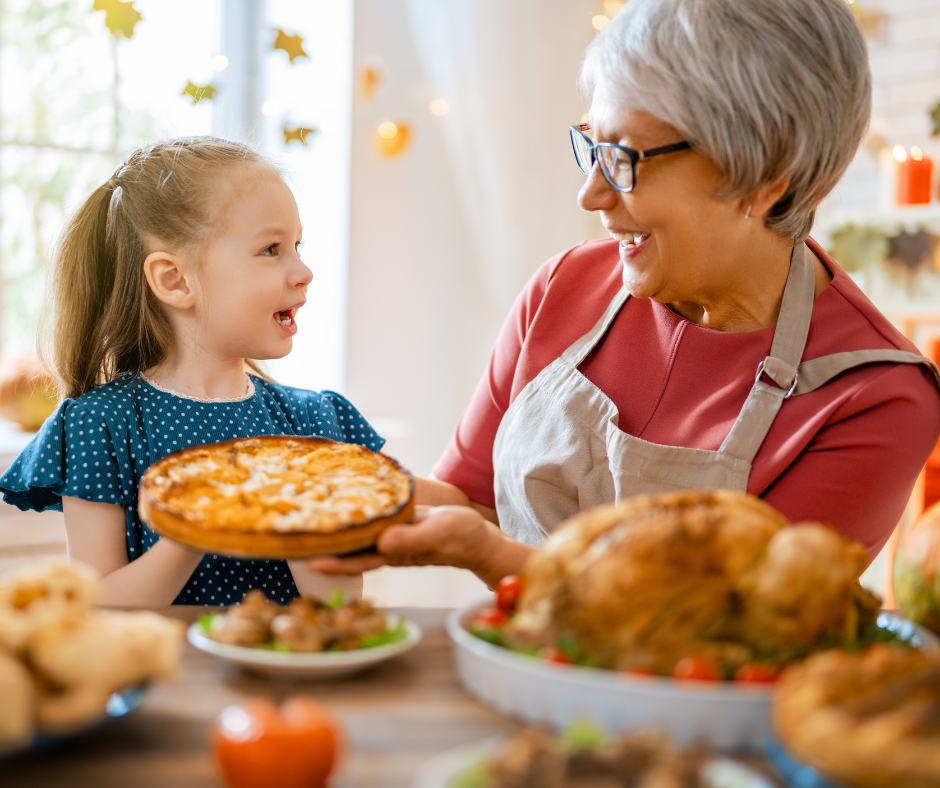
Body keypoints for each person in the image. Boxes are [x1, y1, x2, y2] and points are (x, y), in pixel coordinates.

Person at [310, 0, 940, 588]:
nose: (591, 193)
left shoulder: (875, 398)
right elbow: (470, 500)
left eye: (624, 157)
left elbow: (721, 631)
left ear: (766, 180)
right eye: (592, 145)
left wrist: (490, 556)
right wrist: (316, 495)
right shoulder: (562, 288)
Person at [0, 137, 379, 606]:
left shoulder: (312, 424)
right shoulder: (100, 426)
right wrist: (196, 523)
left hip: (290, 679)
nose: (304, 271)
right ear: (175, 280)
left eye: (297, 245)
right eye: (271, 249)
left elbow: (340, 605)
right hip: (164, 678)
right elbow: (97, 606)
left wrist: (300, 512)